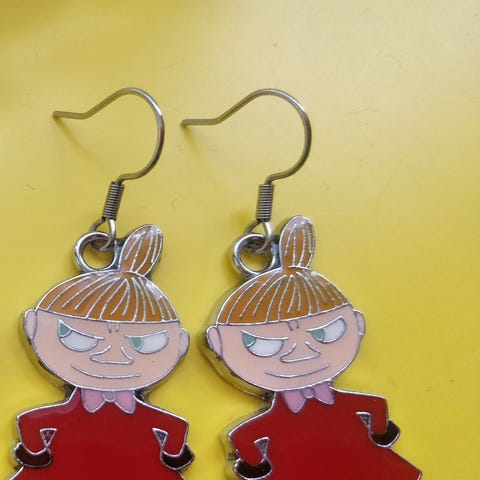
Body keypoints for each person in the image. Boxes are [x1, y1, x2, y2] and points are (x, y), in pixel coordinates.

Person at [207, 216, 421, 479]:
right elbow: (243, 436)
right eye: (264, 344)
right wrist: (380, 430)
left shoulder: (340, 407)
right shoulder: (282, 419)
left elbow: (244, 436)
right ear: (217, 343)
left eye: (326, 333)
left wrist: (253, 461)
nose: (302, 352)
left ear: (357, 323)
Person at [11, 225, 193, 480]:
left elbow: (31, 422)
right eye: (79, 338)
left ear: (181, 343)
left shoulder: (139, 415)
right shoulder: (68, 415)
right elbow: (30, 422)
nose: (112, 355)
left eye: (144, 343)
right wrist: (173, 452)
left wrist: (34, 450)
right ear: (32, 325)